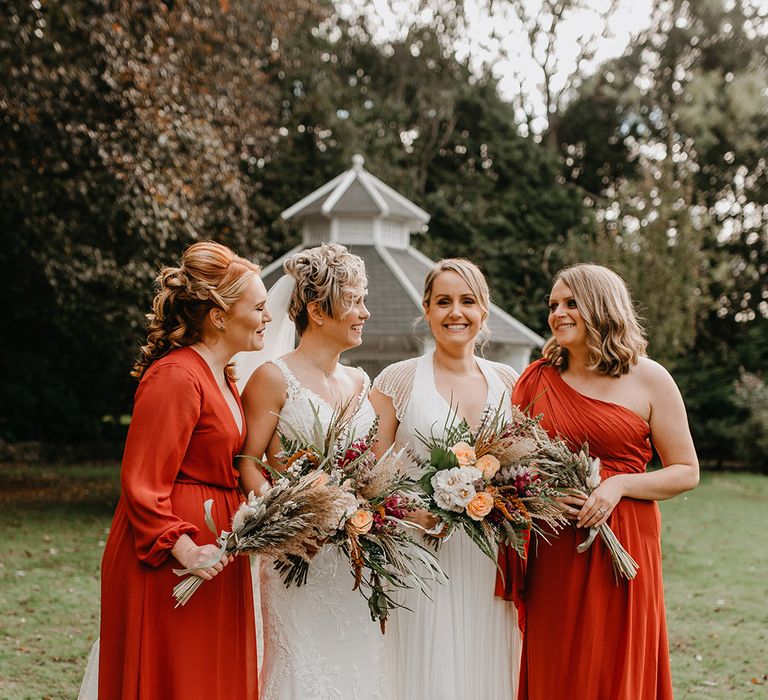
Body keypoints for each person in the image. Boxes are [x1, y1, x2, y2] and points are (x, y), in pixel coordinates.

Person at [499, 263, 699, 699]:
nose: (558, 313)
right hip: (556, 542)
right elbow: (510, 464)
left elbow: (686, 470)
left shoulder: (650, 377)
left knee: (614, 659)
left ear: (602, 306)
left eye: (571, 302)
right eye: (553, 305)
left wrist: (619, 485)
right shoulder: (536, 380)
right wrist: (543, 498)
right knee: (560, 660)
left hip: (624, 540)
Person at [92, 241, 268, 698]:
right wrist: (185, 550)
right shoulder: (175, 376)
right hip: (170, 558)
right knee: (174, 680)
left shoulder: (224, 375)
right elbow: (143, 482)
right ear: (220, 316)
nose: (269, 317)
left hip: (217, 549)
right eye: (260, 307)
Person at [237, 243, 388, 700]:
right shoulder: (272, 377)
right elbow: (247, 460)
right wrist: (285, 522)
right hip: (296, 556)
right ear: (319, 310)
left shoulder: (362, 381)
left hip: (355, 558)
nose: (365, 311)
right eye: (355, 300)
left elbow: (371, 467)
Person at [369, 259, 521, 700]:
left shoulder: (509, 382)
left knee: (487, 662)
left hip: (489, 556)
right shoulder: (396, 380)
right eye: (444, 302)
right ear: (427, 309)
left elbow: (522, 468)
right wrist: (413, 514)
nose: (456, 312)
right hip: (421, 549)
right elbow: (372, 476)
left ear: (484, 310)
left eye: (467, 301)